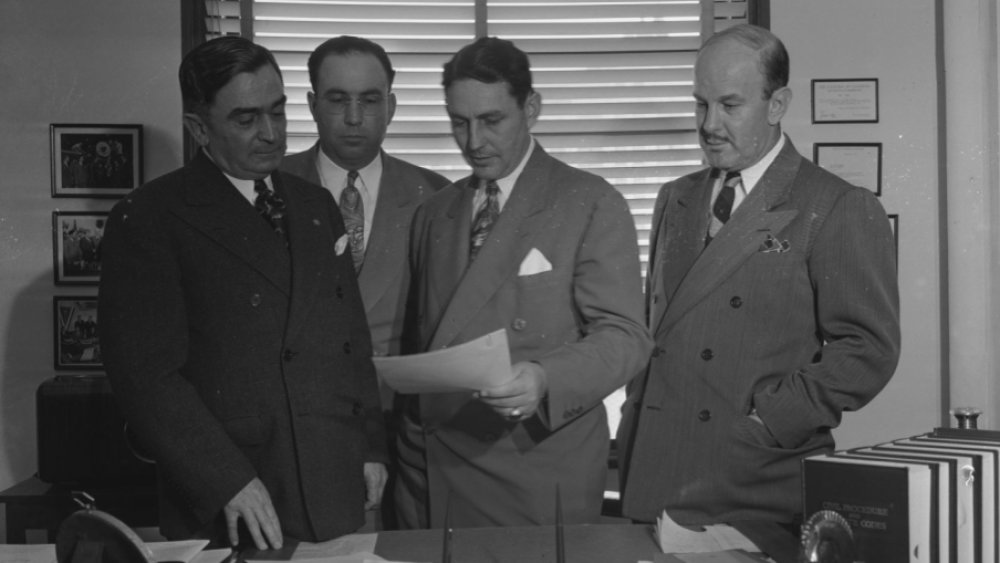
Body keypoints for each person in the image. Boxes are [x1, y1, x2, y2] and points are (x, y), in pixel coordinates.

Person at [99, 36, 387, 550]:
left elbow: (350, 340)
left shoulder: (315, 205)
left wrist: (369, 446)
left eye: (277, 112)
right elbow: (146, 378)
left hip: (330, 475)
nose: (271, 134)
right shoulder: (150, 217)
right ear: (198, 129)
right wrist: (223, 479)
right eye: (246, 119)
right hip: (238, 489)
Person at [616, 24, 901, 529]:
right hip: (652, 464)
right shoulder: (675, 198)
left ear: (777, 105)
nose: (708, 124)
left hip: (747, 476)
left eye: (730, 105)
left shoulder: (835, 205)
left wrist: (769, 420)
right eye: (700, 104)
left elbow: (867, 348)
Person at [394, 36, 653, 529]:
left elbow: (626, 337)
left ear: (530, 108)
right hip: (431, 468)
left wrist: (544, 378)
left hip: (532, 468)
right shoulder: (435, 213)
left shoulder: (589, 201)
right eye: (458, 122)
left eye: (492, 121)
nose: (473, 142)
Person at [281, 35, 450, 363]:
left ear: (391, 108)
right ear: (314, 106)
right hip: (297, 405)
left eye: (370, 100)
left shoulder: (436, 196)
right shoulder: (272, 188)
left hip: (393, 403)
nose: (354, 117)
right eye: (338, 100)